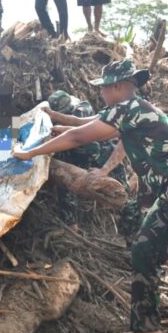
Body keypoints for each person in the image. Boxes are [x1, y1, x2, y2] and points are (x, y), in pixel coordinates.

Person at [13, 59, 168, 333]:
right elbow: (82, 124)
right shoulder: (130, 110)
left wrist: (29, 153)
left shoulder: (131, 109)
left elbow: (79, 137)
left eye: (104, 88)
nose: (101, 93)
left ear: (118, 87)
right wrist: (51, 121)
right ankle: (146, 330)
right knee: (144, 251)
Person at [45, 90, 131, 235]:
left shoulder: (82, 109)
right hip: (78, 151)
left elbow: (79, 131)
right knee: (65, 182)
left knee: (121, 189)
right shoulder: (58, 111)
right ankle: (71, 225)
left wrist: (59, 128)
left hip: (99, 151)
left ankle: (128, 218)